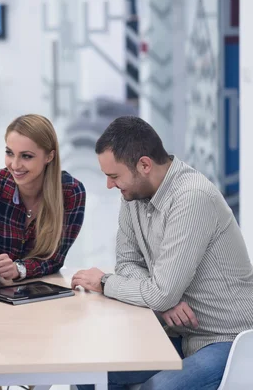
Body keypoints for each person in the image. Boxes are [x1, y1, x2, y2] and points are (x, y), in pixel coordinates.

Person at [71, 116, 253, 390]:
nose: (109, 185)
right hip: (180, 335)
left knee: (158, 387)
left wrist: (105, 282)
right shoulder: (133, 194)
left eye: (114, 176)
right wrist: (162, 298)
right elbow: (128, 263)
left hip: (228, 339)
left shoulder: (192, 198)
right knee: (88, 374)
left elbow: (159, 291)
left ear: (144, 165)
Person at [0, 114, 86, 287]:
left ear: (49, 157)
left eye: (26, 156)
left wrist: (18, 269)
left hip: (39, 288)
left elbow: (55, 259)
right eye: (9, 153)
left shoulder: (71, 192)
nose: (15, 165)